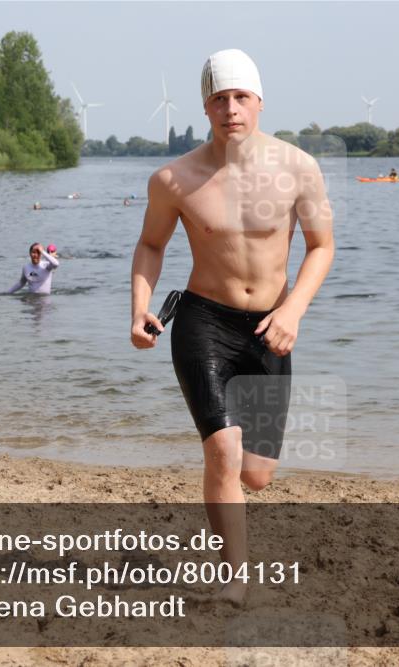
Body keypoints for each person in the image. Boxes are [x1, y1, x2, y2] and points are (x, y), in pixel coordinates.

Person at [130, 48, 334, 604]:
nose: (231, 109)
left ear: (260, 102)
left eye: (241, 97)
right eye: (219, 99)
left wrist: (292, 312)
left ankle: (235, 502)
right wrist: (139, 308)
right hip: (203, 321)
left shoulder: (299, 169)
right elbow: (151, 245)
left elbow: (322, 247)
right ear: (205, 106)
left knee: (257, 475)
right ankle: (236, 577)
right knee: (221, 450)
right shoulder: (174, 178)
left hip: (271, 327)